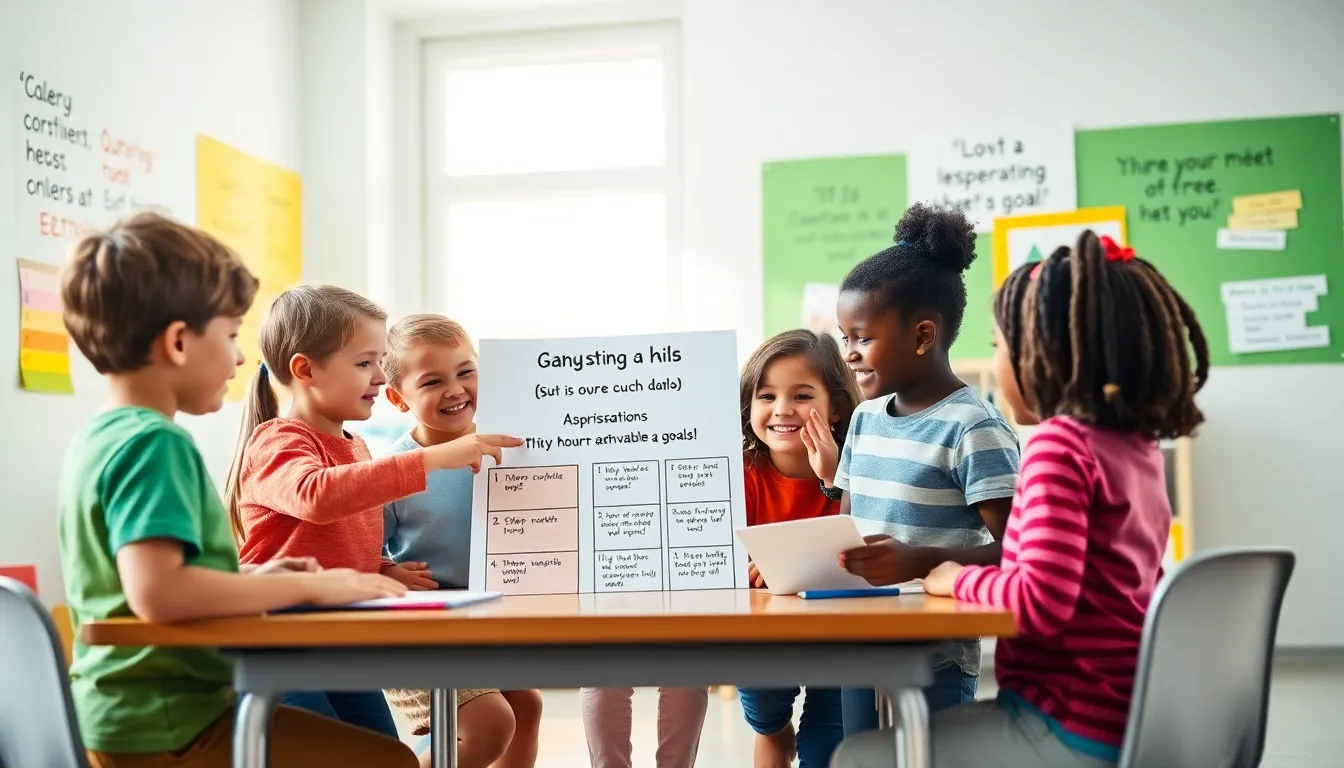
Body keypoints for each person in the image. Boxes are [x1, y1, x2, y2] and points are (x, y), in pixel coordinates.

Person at [831, 231, 1210, 767]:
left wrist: (949, 576)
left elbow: (1038, 596)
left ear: (1046, 354)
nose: (998, 364)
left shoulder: (1060, 445)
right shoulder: (1136, 447)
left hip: (1068, 718)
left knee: (856, 758)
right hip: (1133, 712)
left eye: (999, 347)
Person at [57, 212, 417, 767]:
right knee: (389, 762)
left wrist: (255, 578)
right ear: (179, 341)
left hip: (137, 714)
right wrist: (310, 587)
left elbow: (141, 587)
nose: (243, 358)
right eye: (230, 335)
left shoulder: (102, 435)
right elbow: (158, 594)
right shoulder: (155, 443)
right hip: (171, 721)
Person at [224, 285, 521, 736]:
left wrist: (384, 567)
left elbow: (348, 534)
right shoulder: (278, 440)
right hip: (280, 642)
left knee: (389, 756)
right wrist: (432, 459)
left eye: (381, 361)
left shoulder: (356, 446)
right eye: (365, 363)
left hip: (342, 642)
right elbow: (316, 497)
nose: (381, 377)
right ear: (305, 370)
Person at [832, 203, 1022, 734]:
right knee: (861, 760)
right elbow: (845, 533)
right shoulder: (865, 419)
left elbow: (1018, 552)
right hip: (857, 647)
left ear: (922, 336)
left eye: (862, 338)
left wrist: (920, 561)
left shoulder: (973, 427)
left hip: (935, 657)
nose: (849, 354)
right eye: (845, 338)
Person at [380, 313, 543, 768]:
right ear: (397, 398)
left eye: (466, 371)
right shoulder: (393, 471)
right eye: (433, 381)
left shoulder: (507, 449)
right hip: (418, 632)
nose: (455, 389)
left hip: (482, 627)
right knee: (491, 723)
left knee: (525, 705)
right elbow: (359, 551)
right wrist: (387, 570)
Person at [735, 330, 861, 768]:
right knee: (765, 715)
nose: (782, 409)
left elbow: (865, 538)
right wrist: (751, 566)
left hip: (839, 638)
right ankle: (774, 731)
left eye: (802, 395)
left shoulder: (859, 469)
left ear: (836, 407)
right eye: (766, 396)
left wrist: (834, 478)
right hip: (764, 642)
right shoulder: (739, 475)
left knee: (826, 748)